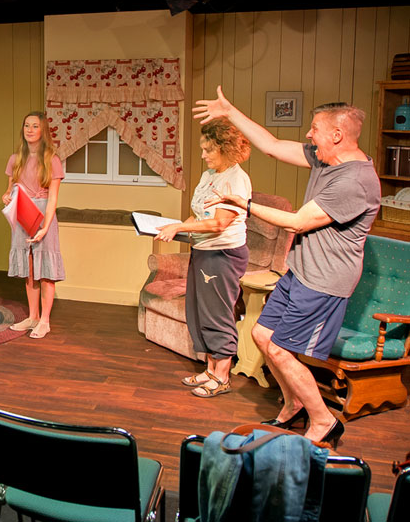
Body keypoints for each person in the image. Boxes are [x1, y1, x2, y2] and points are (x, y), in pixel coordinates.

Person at [195, 86, 380, 446]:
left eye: (315, 129)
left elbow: (297, 222)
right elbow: (272, 145)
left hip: (325, 280)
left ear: (337, 135)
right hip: (301, 271)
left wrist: (245, 205)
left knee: (280, 349)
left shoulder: (355, 181)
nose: (308, 135)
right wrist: (229, 111)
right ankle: (294, 403)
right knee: (262, 336)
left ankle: (324, 420)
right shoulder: (325, 158)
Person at [155, 119, 252, 398]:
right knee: (199, 312)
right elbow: (198, 215)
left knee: (217, 313)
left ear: (225, 148)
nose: (203, 155)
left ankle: (222, 377)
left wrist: (179, 228)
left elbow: (219, 223)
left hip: (222, 255)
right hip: (202, 251)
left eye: (208, 149)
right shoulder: (210, 175)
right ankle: (210, 370)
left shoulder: (236, 179)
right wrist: (173, 227)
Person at [2, 111, 65, 339]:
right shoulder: (15, 159)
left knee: (45, 270)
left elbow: (53, 199)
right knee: (29, 269)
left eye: (35, 126)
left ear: (43, 130)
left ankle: (45, 321)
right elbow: (10, 190)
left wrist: (45, 228)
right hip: (22, 214)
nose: (30, 130)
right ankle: (33, 316)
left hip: (43, 215)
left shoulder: (52, 160)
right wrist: (6, 196)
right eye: (26, 125)